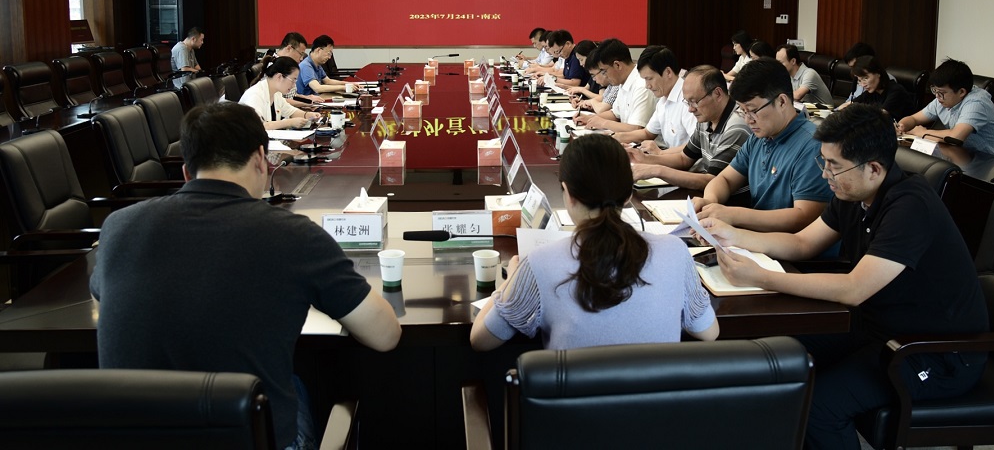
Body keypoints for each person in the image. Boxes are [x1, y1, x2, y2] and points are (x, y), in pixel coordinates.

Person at [90, 103, 401, 450]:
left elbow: (107, 297)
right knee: (300, 388)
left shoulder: (118, 227)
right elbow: (385, 335)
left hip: (137, 437)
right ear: (260, 159)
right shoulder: (294, 235)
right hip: (247, 435)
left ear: (186, 172)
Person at [700, 104, 987, 450]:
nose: (825, 175)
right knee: (773, 355)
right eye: (823, 162)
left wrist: (761, 277)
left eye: (833, 166)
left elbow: (854, 288)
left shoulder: (911, 206)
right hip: (877, 328)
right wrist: (735, 235)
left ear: (874, 168)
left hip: (935, 352)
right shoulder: (854, 192)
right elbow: (803, 243)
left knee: (820, 408)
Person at [469, 134, 718, 351]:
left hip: (571, 395)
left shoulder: (539, 263)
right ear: (628, 194)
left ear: (568, 193)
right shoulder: (675, 252)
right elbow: (709, 332)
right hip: (658, 394)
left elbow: (480, 340)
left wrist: (510, 281)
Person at [695, 58, 832, 232]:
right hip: (756, 237)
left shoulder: (813, 145)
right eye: (742, 111)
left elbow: (804, 216)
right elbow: (725, 179)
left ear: (782, 101)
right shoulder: (759, 137)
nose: (748, 120)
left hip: (789, 245)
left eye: (753, 111)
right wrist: (710, 202)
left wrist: (734, 215)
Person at [629, 65, 751, 197]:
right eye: (687, 102)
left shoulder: (736, 127)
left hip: (731, 202)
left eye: (694, 101)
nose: (690, 109)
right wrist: (645, 158)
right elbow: (684, 159)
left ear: (717, 94)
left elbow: (712, 180)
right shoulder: (706, 119)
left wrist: (657, 170)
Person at [897, 58, 994, 156]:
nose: (937, 96)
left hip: (992, 161)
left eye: (941, 92)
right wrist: (901, 126)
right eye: (934, 90)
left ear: (961, 92)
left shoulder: (977, 102)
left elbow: (956, 137)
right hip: (965, 155)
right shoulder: (942, 98)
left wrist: (923, 133)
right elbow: (914, 119)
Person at [613, 46, 696, 149]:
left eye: (649, 79)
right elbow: (648, 133)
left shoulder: (688, 100)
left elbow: (695, 146)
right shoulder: (663, 99)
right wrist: (617, 137)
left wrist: (659, 154)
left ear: (668, 72)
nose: (647, 86)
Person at [576, 38, 655, 132]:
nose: (604, 76)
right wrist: (590, 118)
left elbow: (636, 128)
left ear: (617, 65)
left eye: (604, 71)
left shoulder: (642, 85)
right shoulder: (623, 81)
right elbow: (615, 114)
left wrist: (603, 123)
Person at [239, 56, 322, 130]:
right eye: (293, 80)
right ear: (279, 76)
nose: (294, 85)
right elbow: (259, 126)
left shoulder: (276, 93)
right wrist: (289, 122)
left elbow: (290, 111)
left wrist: (307, 115)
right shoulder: (255, 95)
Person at [844, 55, 914, 121]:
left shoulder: (896, 91)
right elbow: (848, 105)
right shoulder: (872, 92)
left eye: (865, 78)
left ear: (878, 73)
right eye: (859, 80)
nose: (863, 85)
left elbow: (880, 117)